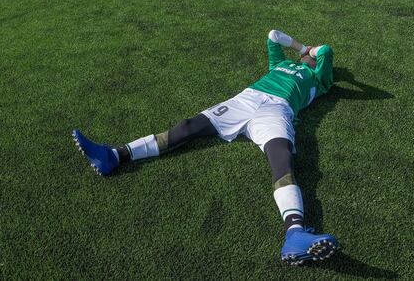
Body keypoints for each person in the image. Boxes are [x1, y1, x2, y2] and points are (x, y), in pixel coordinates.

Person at [73, 30, 339, 265]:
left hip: (277, 110)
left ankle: (295, 234)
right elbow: (273, 35)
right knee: (187, 127)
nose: (311, 58)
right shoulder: (279, 64)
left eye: (313, 59)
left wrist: (310, 51)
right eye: (309, 56)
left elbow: (326, 50)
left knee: (281, 160)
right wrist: (303, 49)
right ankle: (114, 156)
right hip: (244, 100)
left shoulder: (318, 80)